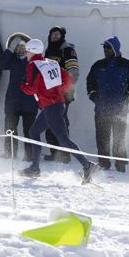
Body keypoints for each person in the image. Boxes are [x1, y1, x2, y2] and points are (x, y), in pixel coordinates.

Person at [19, 39, 98, 182]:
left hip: (51, 106)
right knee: (34, 132)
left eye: (27, 51)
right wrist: (57, 92)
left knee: (63, 139)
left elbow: (32, 89)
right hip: (56, 104)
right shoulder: (52, 63)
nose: (26, 53)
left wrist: (22, 85)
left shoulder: (33, 65)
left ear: (31, 51)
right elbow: (68, 80)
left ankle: (87, 165)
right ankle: (35, 167)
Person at [86, 36, 129, 172]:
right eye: (104, 47)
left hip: (120, 110)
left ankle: (120, 164)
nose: (105, 49)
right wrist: (94, 96)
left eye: (108, 47)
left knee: (119, 138)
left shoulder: (127, 65)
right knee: (102, 138)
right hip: (101, 109)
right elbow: (90, 82)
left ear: (115, 48)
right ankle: (104, 163)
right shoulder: (98, 65)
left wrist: (128, 98)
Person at [0, 34, 38, 160]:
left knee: (29, 130)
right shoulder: (12, 60)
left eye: (23, 46)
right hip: (13, 100)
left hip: (30, 101)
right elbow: (1, 64)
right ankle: (10, 153)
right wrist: (9, 49)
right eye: (18, 46)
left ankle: (30, 155)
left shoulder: (34, 61)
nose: (20, 49)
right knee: (10, 128)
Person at [43, 26, 79, 163]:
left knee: (60, 122)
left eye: (57, 34)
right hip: (49, 94)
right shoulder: (48, 50)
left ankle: (64, 154)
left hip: (63, 94)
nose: (54, 37)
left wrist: (64, 89)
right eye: (52, 34)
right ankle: (54, 153)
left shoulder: (68, 50)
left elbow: (74, 72)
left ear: (62, 36)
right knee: (49, 121)